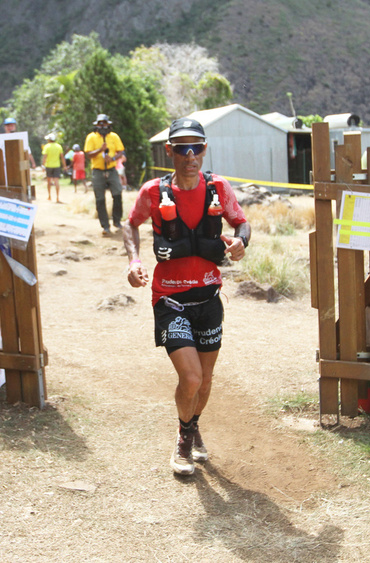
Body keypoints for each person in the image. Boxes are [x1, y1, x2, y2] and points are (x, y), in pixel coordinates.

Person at [122, 117, 251, 476]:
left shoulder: (219, 188)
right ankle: (183, 440)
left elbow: (241, 222)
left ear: (205, 150)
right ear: (171, 151)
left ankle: (192, 429)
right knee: (191, 378)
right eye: (182, 147)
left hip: (209, 301)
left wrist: (242, 241)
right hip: (170, 300)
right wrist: (133, 262)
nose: (190, 154)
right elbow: (130, 224)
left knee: (206, 382)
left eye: (196, 147)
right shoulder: (153, 191)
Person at [84, 114, 126, 236]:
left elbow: (121, 151)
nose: (102, 126)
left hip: (112, 169)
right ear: (96, 125)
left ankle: (117, 221)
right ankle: (105, 226)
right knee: (100, 198)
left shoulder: (114, 136)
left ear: (108, 124)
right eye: (100, 124)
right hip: (98, 170)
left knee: (117, 193)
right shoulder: (91, 137)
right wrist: (100, 150)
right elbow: (88, 154)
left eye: (104, 123)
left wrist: (112, 158)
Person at [41, 133, 65, 202]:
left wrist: (43, 165)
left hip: (49, 166)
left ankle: (49, 196)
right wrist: (64, 166)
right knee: (56, 181)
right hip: (57, 165)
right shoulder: (59, 146)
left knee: (49, 181)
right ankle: (57, 197)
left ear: (49, 140)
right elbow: (62, 157)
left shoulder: (47, 146)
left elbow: (44, 157)